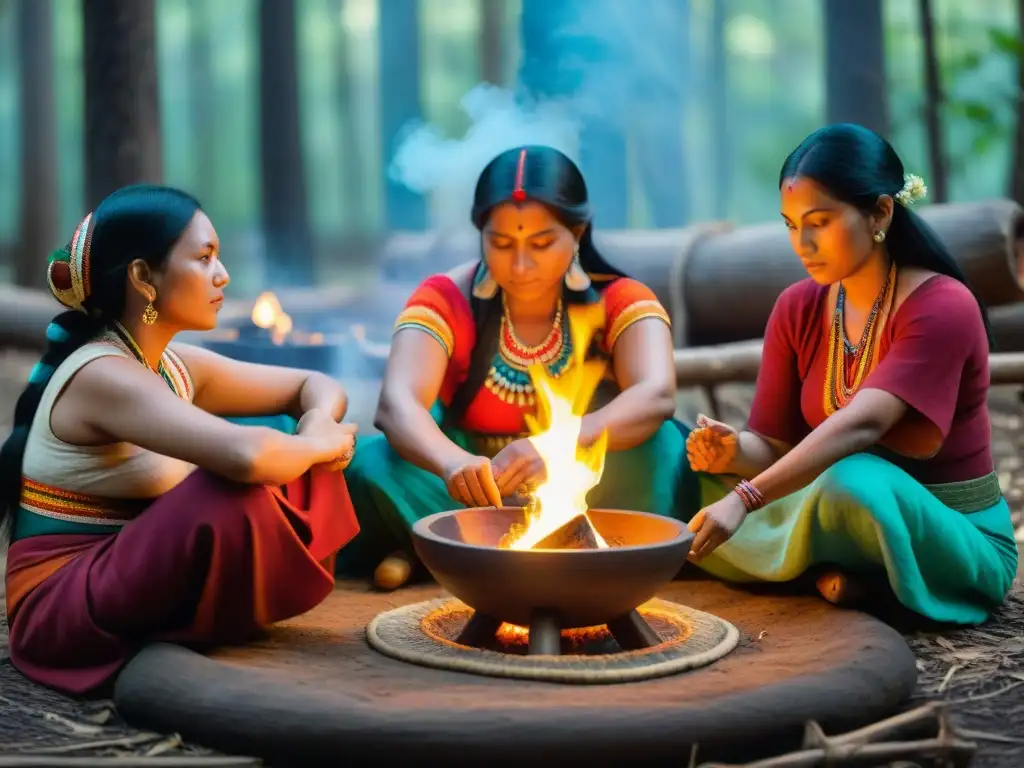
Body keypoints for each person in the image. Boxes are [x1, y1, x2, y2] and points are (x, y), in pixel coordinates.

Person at [2, 184, 360, 695]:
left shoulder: (172, 365)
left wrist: (315, 424)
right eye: (205, 257)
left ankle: (198, 617)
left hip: (123, 571)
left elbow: (310, 385)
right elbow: (244, 456)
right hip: (61, 605)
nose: (223, 275)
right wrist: (322, 445)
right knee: (235, 486)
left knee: (282, 447)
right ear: (143, 278)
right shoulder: (104, 375)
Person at [683, 123, 1018, 625]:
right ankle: (843, 574)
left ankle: (813, 567)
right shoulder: (797, 307)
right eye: (792, 225)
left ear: (881, 211)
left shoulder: (942, 305)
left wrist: (746, 497)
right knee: (674, 462)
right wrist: (733, 453)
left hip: (957, 538)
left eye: (819, 221)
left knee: (851, 480)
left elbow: (862, 426)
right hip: (832, 501)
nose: (803, 242)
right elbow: (773, 449)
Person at [343, 145, 692, 588]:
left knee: (661, 449)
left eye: (542, 243)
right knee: (374, 463)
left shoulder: (622, 299)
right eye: (502, 244)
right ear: (480, 233)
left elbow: (655, 394)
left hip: (592, 487)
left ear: (579, 230)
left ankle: (442, 550)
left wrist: (556, 446)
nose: (522, 265)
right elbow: (397, 404)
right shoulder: (447, 297)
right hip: (473, 494)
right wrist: (453, 464)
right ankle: (460, 543)